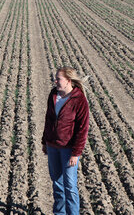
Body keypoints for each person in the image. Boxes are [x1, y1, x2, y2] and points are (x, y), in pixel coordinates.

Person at [42, 66, 90, 215]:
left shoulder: (79, 100)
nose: (55, 81)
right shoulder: (53, 95)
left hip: (69, 149)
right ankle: (60, 213)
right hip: (52, 146)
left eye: (58, 78)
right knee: (57, 184)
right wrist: (45, 141)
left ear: (69, 81)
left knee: (70, 186)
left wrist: (76, 153)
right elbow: (48, 120)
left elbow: (83, 129)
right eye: (55, 78)